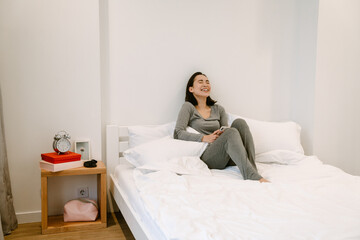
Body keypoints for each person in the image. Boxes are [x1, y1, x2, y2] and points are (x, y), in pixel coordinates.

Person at [174, 72, 269, 183]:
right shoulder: (188, 107)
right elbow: (177, 133)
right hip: (208, 156)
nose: (205, 84)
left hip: (225, 154)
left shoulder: (218, 109)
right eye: (200, 82)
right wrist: (204, 137)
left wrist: (220, 133)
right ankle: (251, 175)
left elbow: (226, 130)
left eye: (207, 82)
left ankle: (252, 169)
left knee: (239, 123)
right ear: (191, 89)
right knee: (231, 132)